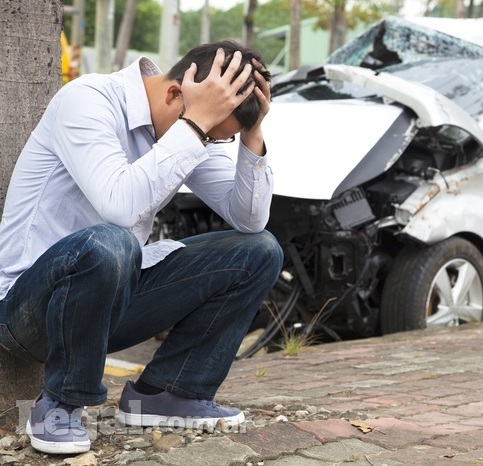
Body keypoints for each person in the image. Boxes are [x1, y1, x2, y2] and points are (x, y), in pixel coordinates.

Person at [0, 40, 283, 455]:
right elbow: (120, 206)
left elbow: (250, 219)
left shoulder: (188, 124)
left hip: (107, 306)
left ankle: (169, 392)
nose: (206, 144)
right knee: (112, 241)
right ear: (175, 93)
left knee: (259, 251)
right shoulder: (89, 100)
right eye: (209, 134)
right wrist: (196, 125)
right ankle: (62, 402)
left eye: (216, 139)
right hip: (28, 311)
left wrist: (250, 134)